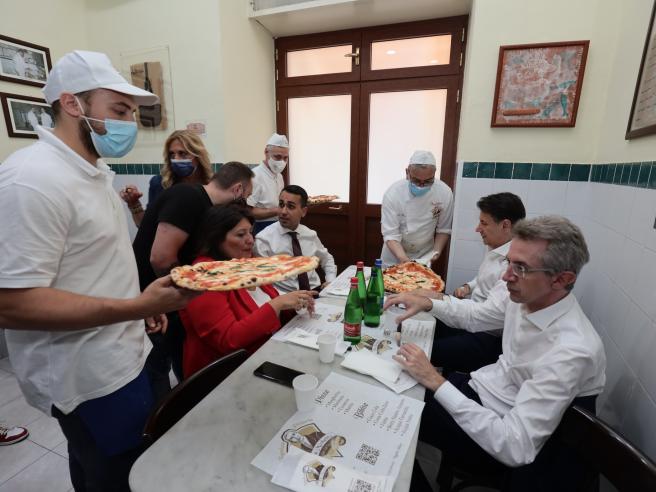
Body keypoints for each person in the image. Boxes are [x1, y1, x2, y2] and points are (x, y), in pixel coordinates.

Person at [0, 50, 196, 491]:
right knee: (117, 476)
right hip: (85, 377)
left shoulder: (92, 173)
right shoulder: (31, 180)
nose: (129, 123)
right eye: (119, 110)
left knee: (109, 466)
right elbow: (11, 304)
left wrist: (138, 307)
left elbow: (95, 263)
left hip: (125, 353)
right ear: (73, 104)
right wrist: (134, 305)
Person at [386, 216, 606, 491]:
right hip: (483, 393)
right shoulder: (527, 298)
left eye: (521, 268)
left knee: (394, 421)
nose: (506, 276)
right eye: (508, 263)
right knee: (393, 393)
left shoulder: (572, 350)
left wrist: (436, 381)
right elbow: (476, 316)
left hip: (499, 439)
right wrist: (428, 301)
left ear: (561, 279)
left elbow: (516, 446)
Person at [132, 162, 254, 398]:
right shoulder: (189, 197)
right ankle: (162, 426)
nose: (243, 205)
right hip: (153, 298)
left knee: (181, 358)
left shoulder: (201, 202)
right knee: (158, 364)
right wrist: (193, 290)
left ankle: (186, 403)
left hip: (168, 299)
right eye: (246, 197)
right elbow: (161, 258)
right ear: (238, 190)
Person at [180, 205, 317, 377]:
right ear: (216, 238)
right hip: (225, 375)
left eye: (250, 232)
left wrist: (295, 304)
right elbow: (228, 339)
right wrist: (277, 304)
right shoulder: (203, 278)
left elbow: (269, 305)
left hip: (266, 355)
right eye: (240, 234)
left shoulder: (245, 263)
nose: (251, 240)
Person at [409, 192, 526, 372]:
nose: (477, 228)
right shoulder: (497, 247)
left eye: (484, 223)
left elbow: (483, 316)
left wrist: (436, 299)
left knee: (425, 350)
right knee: (416, 323)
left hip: (488, 335)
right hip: (472, 314)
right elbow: (485, 277)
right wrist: (468, 286)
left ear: (505, 225)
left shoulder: (514, 264)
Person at [119, 129, 213, 226]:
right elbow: (146, 227)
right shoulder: (160, 183)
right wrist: (134, 204)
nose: (176, 159)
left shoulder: (211, 185)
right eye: (172, 154)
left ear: (198, 156)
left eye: (182, 154)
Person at [254, 185, 337, 292]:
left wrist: (330, 281)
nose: (283, 211)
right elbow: (263, 283)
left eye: (291, 206)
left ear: (303, 211)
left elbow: (327, 259)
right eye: (281, 205)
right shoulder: (264, 239)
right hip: (285, 298)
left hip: (314, 292)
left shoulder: (309, 234)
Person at [380, 150, 454, 269]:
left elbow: (443, 229)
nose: (421, 185)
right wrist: (404, 260)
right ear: (407, 172)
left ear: (434, 174)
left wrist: (435, 253)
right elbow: (390, 234)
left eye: (428, 181)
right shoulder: (393, 194)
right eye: (416, 180)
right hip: (394, 256)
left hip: (424, 255)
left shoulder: (444, 193)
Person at [247, 132, 288, 234]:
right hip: (260, 228)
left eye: (285, 158)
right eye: (277, 157)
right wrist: (276, 211)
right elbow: (248, 210)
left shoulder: (279, 176)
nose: (282, 162)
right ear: (266, 152)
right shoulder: (255, 176)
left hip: (278, 226)